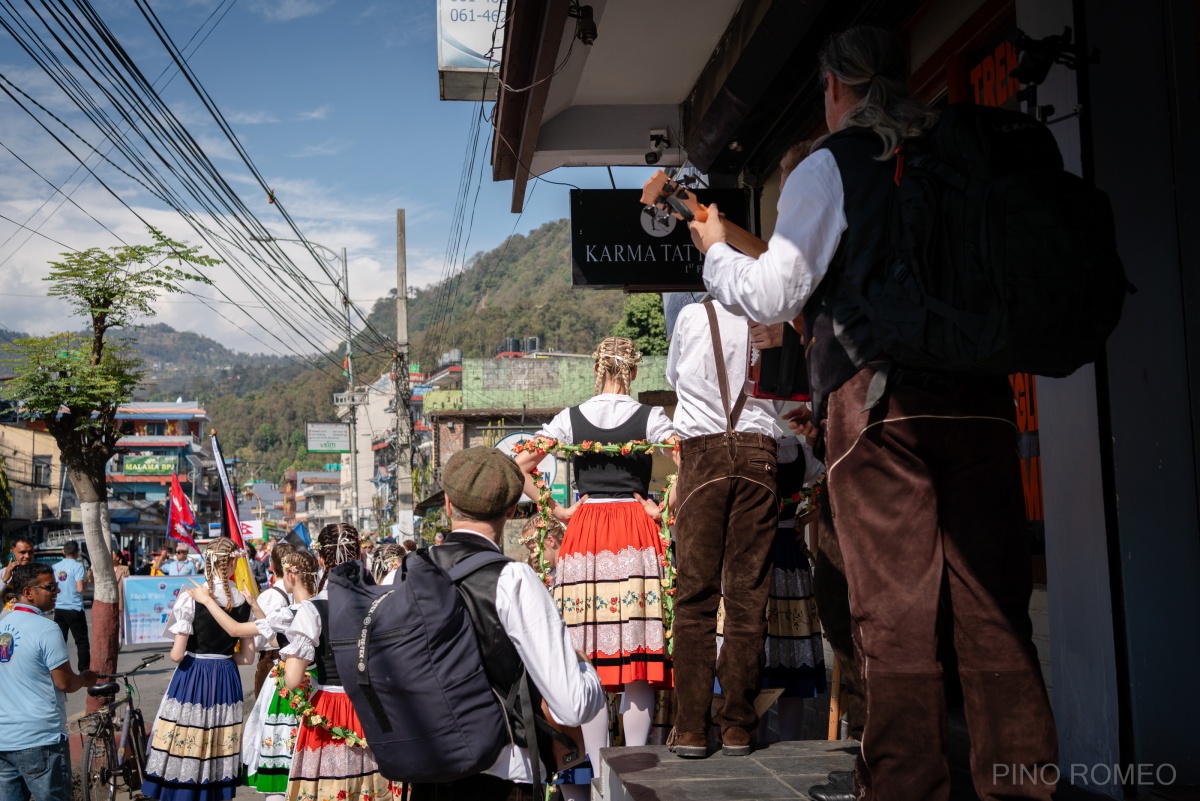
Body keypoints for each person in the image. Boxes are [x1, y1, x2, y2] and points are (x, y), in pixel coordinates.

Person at [689, 26, 1057, 801]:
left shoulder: (833, 165)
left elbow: (774, 293)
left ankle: (904, 785)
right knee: (995, 608)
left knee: (895, 615)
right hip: (985, 402)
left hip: (882, 410)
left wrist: (718, 247)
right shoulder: (962, 152)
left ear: (834, 89)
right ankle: (1022, 785)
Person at [513, 336, 677, 767]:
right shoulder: (650, 417)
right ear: (633, 371)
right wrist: (662, 507)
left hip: (585, 532)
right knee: (637, 654)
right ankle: (637, 764)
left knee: (588, 655)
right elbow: (692, 457)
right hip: (635, 529)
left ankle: (598, 765)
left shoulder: (569, 418)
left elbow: (519, 464)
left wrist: (558, 509)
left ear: (596, 369)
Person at [411, 446, 605, 801]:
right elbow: (572, 704)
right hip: (502, 774)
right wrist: (588, 671)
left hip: (426, 771)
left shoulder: (409, 573)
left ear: (449, 506)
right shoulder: (513, 579)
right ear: (511, 509)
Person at [664, 300, 787, 758]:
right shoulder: (775, 318)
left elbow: (677, 378)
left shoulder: (692, 317)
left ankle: (692, 729)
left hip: (703, 457)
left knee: (695, 599)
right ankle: (737, 727)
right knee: (747, 598)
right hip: (759, 455)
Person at [186, 548, 320, 801]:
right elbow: (276, 637)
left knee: (282, 765)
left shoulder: (292, 613)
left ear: (291, 576)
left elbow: (235, 629)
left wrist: (206, 602)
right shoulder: (320, 606)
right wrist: (254, 605)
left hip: (290, 694)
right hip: (318, 690)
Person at [280, 523, 399, 801]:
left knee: (331, 787)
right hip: (374, 706)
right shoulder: (381, 601)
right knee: (374, 784)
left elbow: (292, 679)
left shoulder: (313, 609)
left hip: (331, 708)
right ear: (359, 556)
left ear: (320, 559)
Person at [142, 537, 255, 801]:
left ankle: (183, 793)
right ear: (233, 564)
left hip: (194, 675)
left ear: (208, 562)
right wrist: (223, 656)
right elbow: (248, 658)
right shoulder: (244, 600)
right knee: (218, 736)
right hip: (226, 676)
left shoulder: (191, 597)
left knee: (187, 737)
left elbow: (177, 654)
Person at [0, 563, 99, 801]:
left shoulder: (2, 622)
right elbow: (65, 682)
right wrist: (84, 679)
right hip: (39, 740)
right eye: (50, 587)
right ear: (28, 592)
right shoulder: (47, 629)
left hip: (4, 738)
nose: (57, 591)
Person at [252, 542, 295, 698]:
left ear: (271, 565)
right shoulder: (302, 592)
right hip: (300, 662)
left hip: (271, 661)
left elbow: (257, 642)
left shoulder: (267, 597)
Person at [52, 541, 90, 672]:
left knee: (60, 642)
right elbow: (80, 588)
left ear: (63, 552)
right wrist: (86, 583)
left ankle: (59, 670)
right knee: (81, 642)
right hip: (74, 608)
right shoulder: (78, 566)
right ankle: (84, 670)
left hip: (59, 608)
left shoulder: (55, 567)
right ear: (77, 553)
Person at [0, 537, 35, 609]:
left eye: (30, 552)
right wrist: (5, 579)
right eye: (22, 552)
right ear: (11, 553)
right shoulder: (2, 573)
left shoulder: (38, 574)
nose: (27, 556)